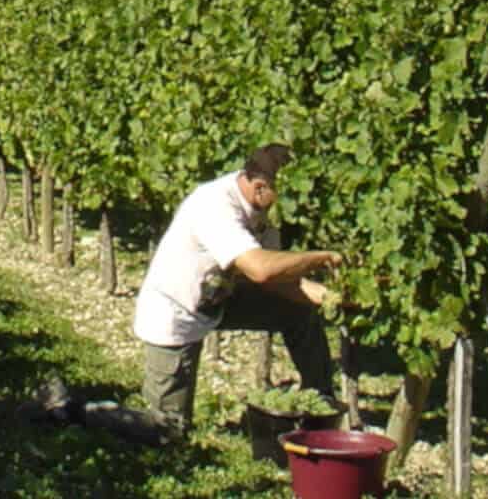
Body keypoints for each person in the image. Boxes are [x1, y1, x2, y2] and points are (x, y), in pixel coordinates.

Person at [131, 143, 341, 437]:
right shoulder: (215, 205)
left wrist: (328, 298)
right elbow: (260, 268)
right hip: (176, 313)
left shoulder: (261, 209)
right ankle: (79, 411)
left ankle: (320, 406)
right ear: (259, 187)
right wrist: (320, 258)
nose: (288, 204)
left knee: (299, 312)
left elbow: (276, 280)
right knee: (168, 431)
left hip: (218, 299)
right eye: (284, 194)